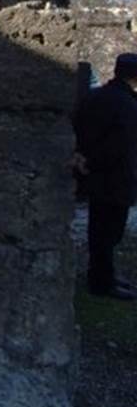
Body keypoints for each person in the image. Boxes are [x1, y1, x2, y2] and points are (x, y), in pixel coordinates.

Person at [73, 52, 137, 299]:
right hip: (116, 177)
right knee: (109, 233)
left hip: (95, 176)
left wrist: (84, 159)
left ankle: (104, 275)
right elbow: (119, 145)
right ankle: (101, 282)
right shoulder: (127, 104)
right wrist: (94, 161)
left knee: (99, 231)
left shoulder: (96, 97)